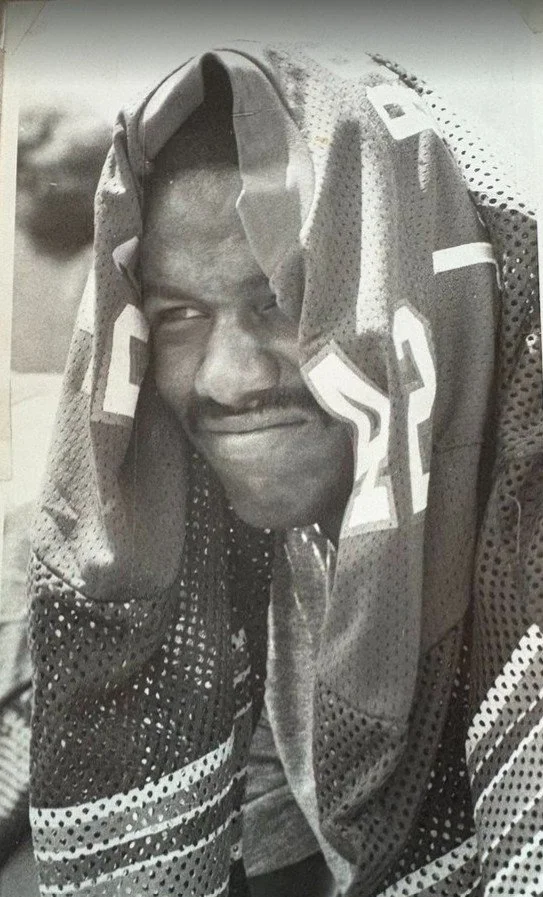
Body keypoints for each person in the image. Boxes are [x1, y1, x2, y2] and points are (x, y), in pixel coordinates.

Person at [27, 43, 542, 897]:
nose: (228, 380)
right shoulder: (260, 547)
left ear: (414, 303)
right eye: (179, 314)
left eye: (284, 298)